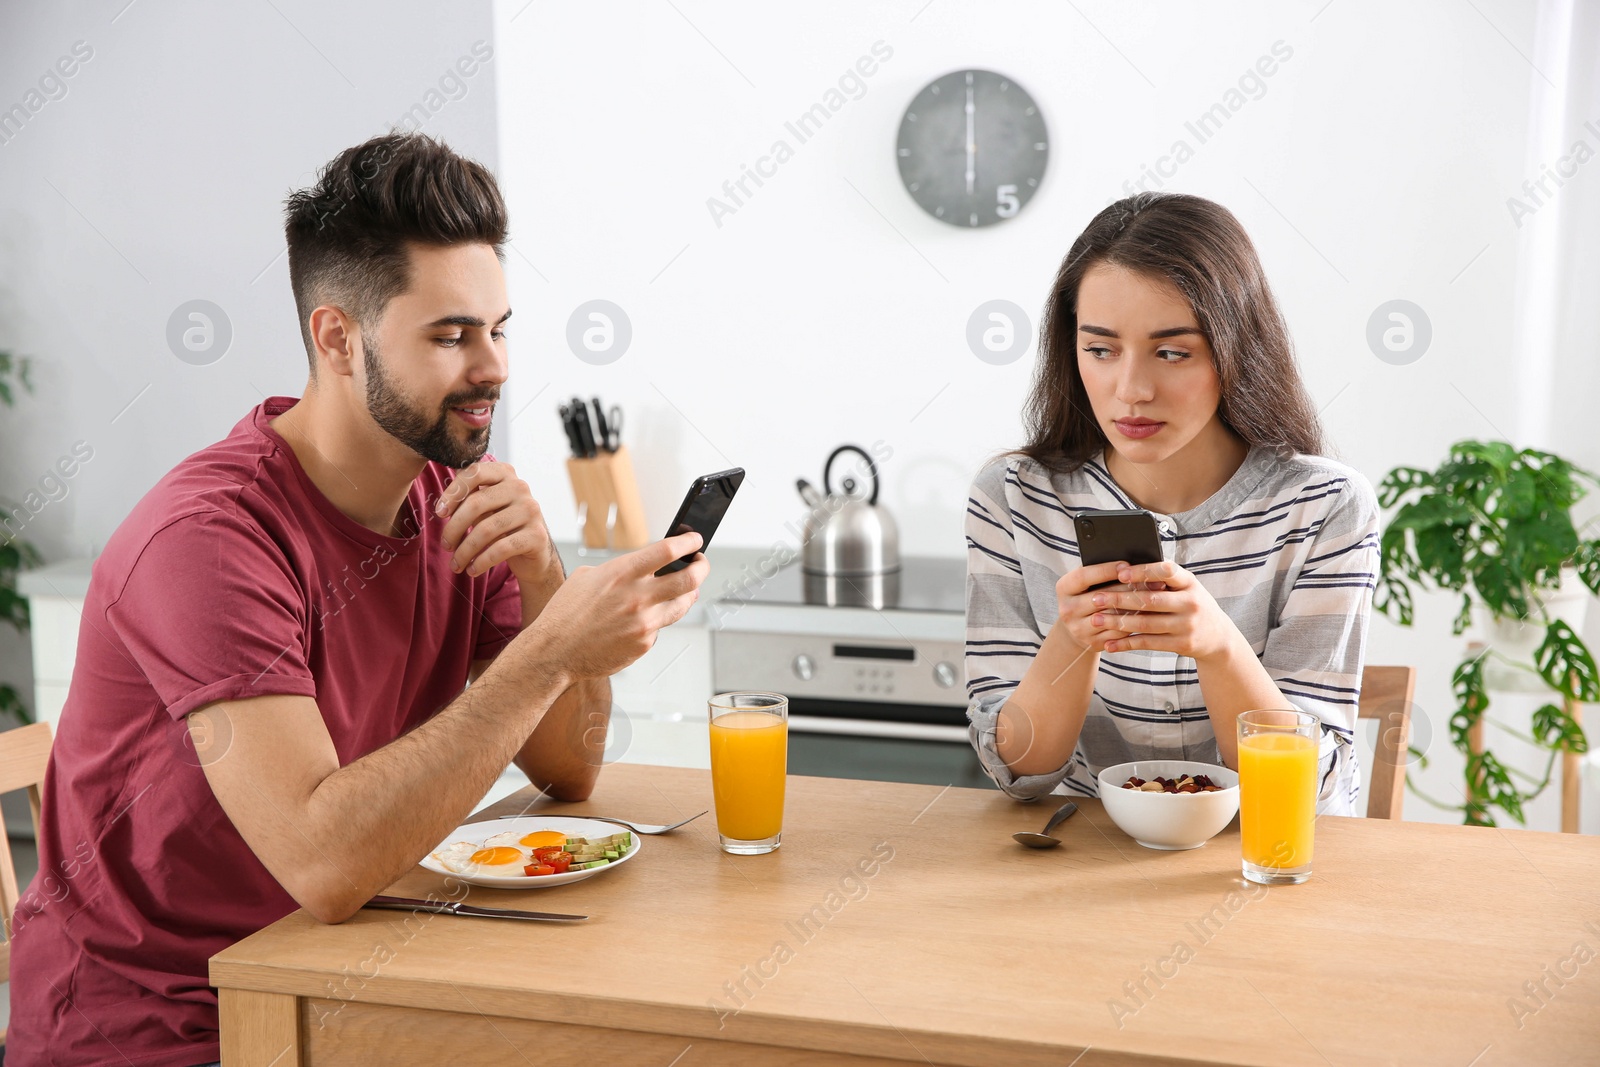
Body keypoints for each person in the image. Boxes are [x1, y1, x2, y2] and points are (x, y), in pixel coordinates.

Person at [7, 132, 709, 1066]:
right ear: (338, 338)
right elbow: (324, 862)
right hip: (172, 1027)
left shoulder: (458, 497)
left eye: (499, 329)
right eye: (451, 335)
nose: (495, 366)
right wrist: (555, 648)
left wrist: (543, 578)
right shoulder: (210, 540)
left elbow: (567, 772)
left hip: (347, 978)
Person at [965, 192, 1379, 814]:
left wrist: (1218, 645)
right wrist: (1073, 640)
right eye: (1100, 350)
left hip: (1266, 866)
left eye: (1171, 352)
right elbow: (1018, 771)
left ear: (1235, 350)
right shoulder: (1014, 498)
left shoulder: (1324, 507)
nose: (1130, 390)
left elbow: (1307, 788)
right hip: (1081, 868)